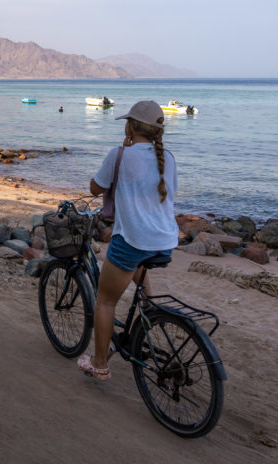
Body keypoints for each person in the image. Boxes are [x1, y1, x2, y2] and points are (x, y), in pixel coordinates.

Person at [80, 100, 178, 381]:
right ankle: (151, 311)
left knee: (105, 301)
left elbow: (95, 187)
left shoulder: (120, 155)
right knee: (134, 258)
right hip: (164, 240)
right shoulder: (168, 158)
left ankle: (99, 364)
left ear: (131, 126)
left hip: (134, 239)